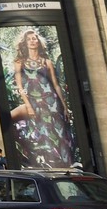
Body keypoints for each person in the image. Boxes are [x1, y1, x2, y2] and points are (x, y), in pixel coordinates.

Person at [10, 27, 78, 167]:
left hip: (52, 101)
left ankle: (64, 164)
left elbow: (56, 84)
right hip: (34, 102)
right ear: (24, 43)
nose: (32, 41)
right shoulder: (19, 62)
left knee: (58, 133)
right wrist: (28, 104)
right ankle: (43, 163)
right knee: (41, 131)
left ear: (39, 41)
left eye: (34, 38)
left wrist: (64, 106)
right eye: (29, 39)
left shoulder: (47, 62)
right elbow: (20, 87)